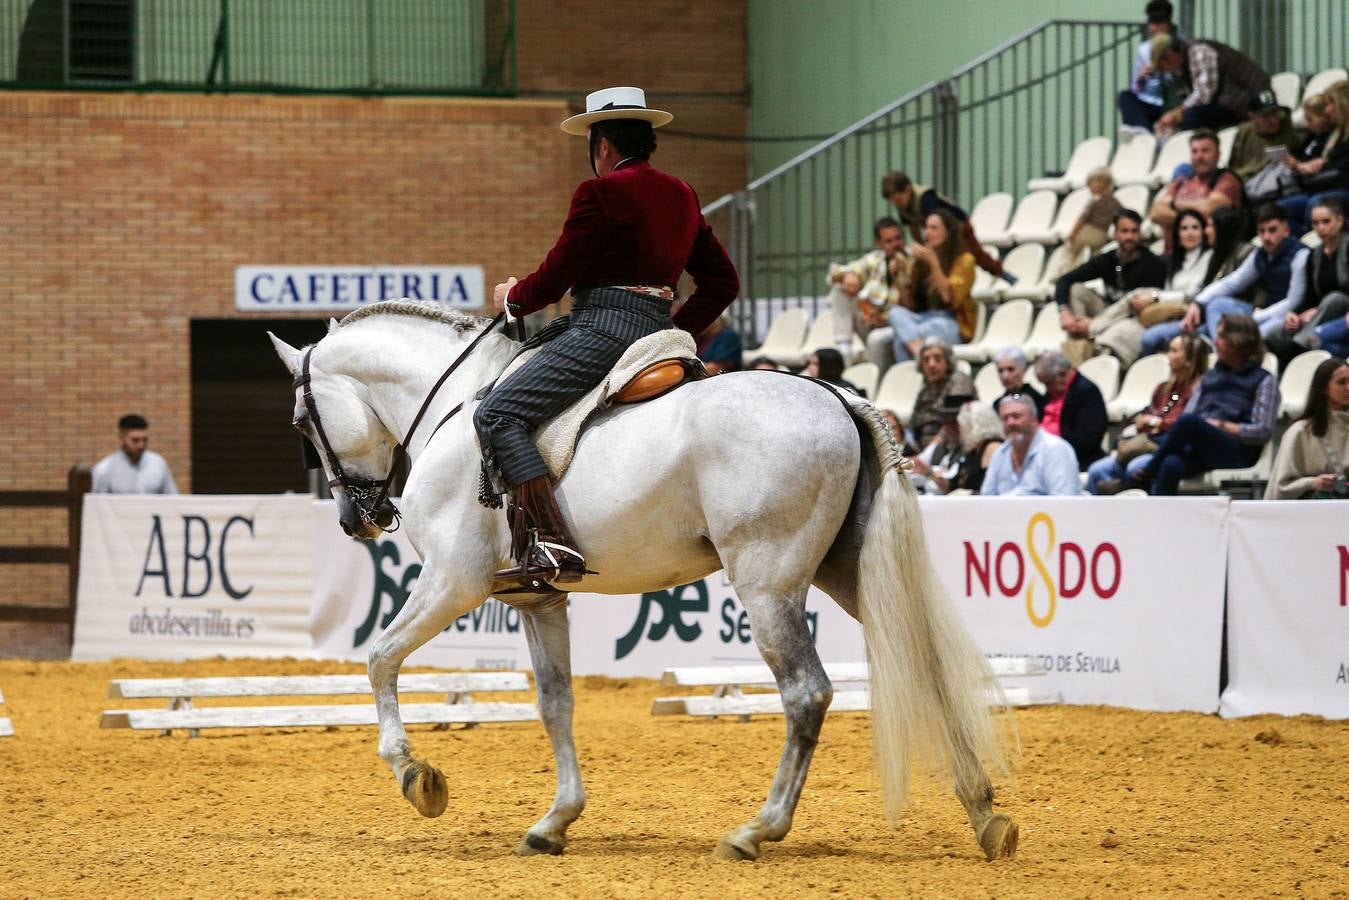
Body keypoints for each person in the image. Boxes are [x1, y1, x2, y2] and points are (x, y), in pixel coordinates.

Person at [477, 86, 738, 585]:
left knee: (498, 412)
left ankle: (547, 541)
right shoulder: (682, 193)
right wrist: (672, 331)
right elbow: (724, 282)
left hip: (602, 328)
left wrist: (514, 297)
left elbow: (557, 275)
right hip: (656, 330)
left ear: (601, 146)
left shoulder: (598, 193)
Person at [1115, 314, 1279, 495]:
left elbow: (1263, 430)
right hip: (1199, 446)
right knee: (1170, 464)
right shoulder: (1199, 379)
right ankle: (1158, 510)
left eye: (1222, 336)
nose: (1216, 342)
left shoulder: (1263, 380)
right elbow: (1178, 411)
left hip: (1235, 450)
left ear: (1238, 341)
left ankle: (1144, 474)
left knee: (1188, 422)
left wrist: (1221, 426)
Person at [1087, 333, 1209, 493]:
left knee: (1135, 467)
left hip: (1168, 450)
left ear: (1189, 359)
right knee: (1096, 470)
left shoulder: (1199, 391)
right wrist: (1151, 421)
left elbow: (1182, 424)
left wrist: (1155, 422)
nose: (1168, 356)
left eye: (1174, 351)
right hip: (1147, 444)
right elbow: (1152, 415)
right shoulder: (1166, 389)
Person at [1176, 203, 1310, 342]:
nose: (1266, 237)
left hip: (1288, 316)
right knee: (1217, 304)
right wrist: (1198, 302)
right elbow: (1233, 282)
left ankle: (1229, 348)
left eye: (1272, 230)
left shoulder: (1300, 254)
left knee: (1258, 333)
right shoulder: (1260, 253)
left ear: (1286, 230)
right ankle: (1220, 347)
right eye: (1261, 231)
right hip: (1259, 312)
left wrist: (1258, 317)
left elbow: (1293, 301)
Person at [1055, 210, 1167, 367]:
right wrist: (1065, 312)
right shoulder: (1108, 258)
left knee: (1116, 332)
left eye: (1134, 231)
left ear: (1140, 234)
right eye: (1125, 231)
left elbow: (1136, 308)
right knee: (1076, 290)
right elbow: (1065, 279)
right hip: (1106, 312)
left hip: (1132, 319)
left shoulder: (1153, 264)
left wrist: (1095, 324)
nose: (1130, 236)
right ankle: (1079, 340)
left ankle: (1088, 341)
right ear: (1115, 233)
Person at [1140, 205, 1253, 354]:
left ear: (1222, 228)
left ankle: (1219, 355)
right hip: (1199, 315)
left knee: (1215, 306)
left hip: (1230, 315)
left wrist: (1196, 304)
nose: (1206, 231)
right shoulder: (1216, 255)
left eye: (1210, 226)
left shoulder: (1244, 252)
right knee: (1149, 337)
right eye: (1184, 228)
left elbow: (1232, 286)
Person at [885, 209, 977, 363]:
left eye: (934, 228)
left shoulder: (965, 260)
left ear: (948, 232)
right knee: (895, 312)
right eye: (926, 227)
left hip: (950, 321)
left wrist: (933, 261)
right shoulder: (920, 262)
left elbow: (949, 298)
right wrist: (899, 278)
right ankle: (918, 352)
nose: (928, 232)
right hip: (923, 318)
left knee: (901, 341)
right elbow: (909, 306)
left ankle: (917, 361)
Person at [880, 171, 1010, 281]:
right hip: (941, 233)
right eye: (893, 202)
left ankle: (1001, 272)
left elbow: (935, 224)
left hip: (960, 225)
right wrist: (920, 248)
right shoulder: (903, 207)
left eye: (899, 200)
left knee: (976, 254)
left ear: (908, 189)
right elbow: (914, 227)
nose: (898, 204)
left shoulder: (925, 198)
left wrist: (928, 248)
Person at [1267, 197, 1349, 368]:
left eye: (1326, 222)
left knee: (1335, 298)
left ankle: (1298, 348)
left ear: (1340, 220)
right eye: (1315, 223)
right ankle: (1291, 363)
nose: (1320, 228)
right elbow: (1310, 296)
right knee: (1276, 333)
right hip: (1322, 312)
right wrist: (1294, 314)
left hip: (1343, 311)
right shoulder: (1314, 255)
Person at [1149, 34, 1270, 137]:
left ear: (1170, 54)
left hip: (1245, 103)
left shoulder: (1199, 52)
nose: (1166, 71)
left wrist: (1176, 114)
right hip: (1226, 103)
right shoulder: (1184, 63)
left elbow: (1204, 95)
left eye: (1163, 66)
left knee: (1191, 117)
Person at [1125, 209, 1214, 348]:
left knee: (1149, 339)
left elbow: (1192, 294)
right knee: (1134, 296)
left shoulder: (1210, 256)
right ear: (1177, 233)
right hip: (1170, 311)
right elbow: (1169, 290)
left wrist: (1155, 297)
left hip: (1192, 313)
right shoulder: (1175, 260)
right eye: (1184, 228)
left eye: (1195, 227)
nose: (1190, 233)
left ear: (1203, 231)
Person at [827, 217, 911, 363]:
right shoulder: (875, 259)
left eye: (898, 238)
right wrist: (846, 277)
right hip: (870, 321)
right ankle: (844, 347)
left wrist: (900, 275)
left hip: (895, 325)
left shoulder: (912, 259)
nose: (895, 244)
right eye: (889, 241)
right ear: (879, 243)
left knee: (876, 338)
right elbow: (834, 274)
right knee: (839, 289)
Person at [1265, 357, 1349, 499]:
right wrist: (1311, 483)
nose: (1348, 387)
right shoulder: (1299, 431)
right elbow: (1281, 487)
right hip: (1313, 507)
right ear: (1324, 388)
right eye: (1342, 382)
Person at [1278, 80, 1349, 235]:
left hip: (1342, 188)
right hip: (1324, 186)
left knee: (1316, 205)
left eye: (1331, 103)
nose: (1327, 109)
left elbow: (1343, 170)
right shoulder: (1337, 134)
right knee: (1281, 209)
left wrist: (1322, 165)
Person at [980, 394, 1082, 496]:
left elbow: (1064, 500)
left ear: (1034, 419)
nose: (1010, 423)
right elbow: (986, 497)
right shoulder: (1000, 453)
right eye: (1005, 418)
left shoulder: (1055, 450)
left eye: (1016, 416)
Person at [1149, 130, 1244, 239]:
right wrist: (1190, 222)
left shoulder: (1227, 179)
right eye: (1194, 151)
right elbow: (1156, 213)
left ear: (1218, 155)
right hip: (1174, 249)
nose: (1199, 156)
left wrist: (1174, 204)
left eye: (1205, 151)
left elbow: (1208, 210)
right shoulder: (1181, 181)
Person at [1034, 351, 1108, 471]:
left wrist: (1053, 449)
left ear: (1062, 374)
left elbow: (1087, 440)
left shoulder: (1087, 392)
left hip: (1071, 458)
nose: (1046, 389)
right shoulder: (1053, 391)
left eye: (1048, 383)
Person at [1118, 0, 1180, 134]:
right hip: (1149, 101)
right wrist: (1141, 77)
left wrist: (1165, 70)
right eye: (1151, 23)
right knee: (1125, 96)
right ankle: (1142, 132)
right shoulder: (1144, 49)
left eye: (1158, 23)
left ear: (1167, 24)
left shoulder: (1177, 46)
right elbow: (1136, 87)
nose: (1153, 28)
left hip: (1170, 104)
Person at [1050, 167, 1124, 279]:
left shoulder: (1095, 201)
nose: (1090, 186)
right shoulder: (1115, 202)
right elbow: (1122, 215)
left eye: (1092, 183)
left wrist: (1072, 235)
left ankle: (1065, 273)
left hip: (1088, 232)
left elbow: (1082, 219)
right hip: (1102, 236)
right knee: (1097, 256)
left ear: (1102, 183)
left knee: (1071, 250)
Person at [907, 337, 976, 450]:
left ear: (948, 362)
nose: (931, 365)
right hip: (923, 450)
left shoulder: (960, 382)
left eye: (937, 359)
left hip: (951, 448)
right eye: (926, 360)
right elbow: (912, 425)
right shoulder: (925, 391)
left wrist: (927, 454)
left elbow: (953, 423)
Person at [92, 413, 178, 494]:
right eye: (135, 440)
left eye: (145, 440)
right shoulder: (104, 470)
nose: (141, 445)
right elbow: (97, 503)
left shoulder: (158, 464)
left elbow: (172, 498)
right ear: (122, 438)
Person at [1228, 89, 1299, 182]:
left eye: (1275, 113)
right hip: (1244, 181)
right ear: (1252, 116)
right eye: (1265, 116)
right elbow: (1234, 167)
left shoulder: (1285, 126)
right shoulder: (1244, 132)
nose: (1273, 120)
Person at [992, 346, 1045, 416]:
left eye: (1010, 369)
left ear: (1024, 369)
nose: (1005, 376)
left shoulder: (1036, 400)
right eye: (1000, 371)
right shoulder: (997, 404)